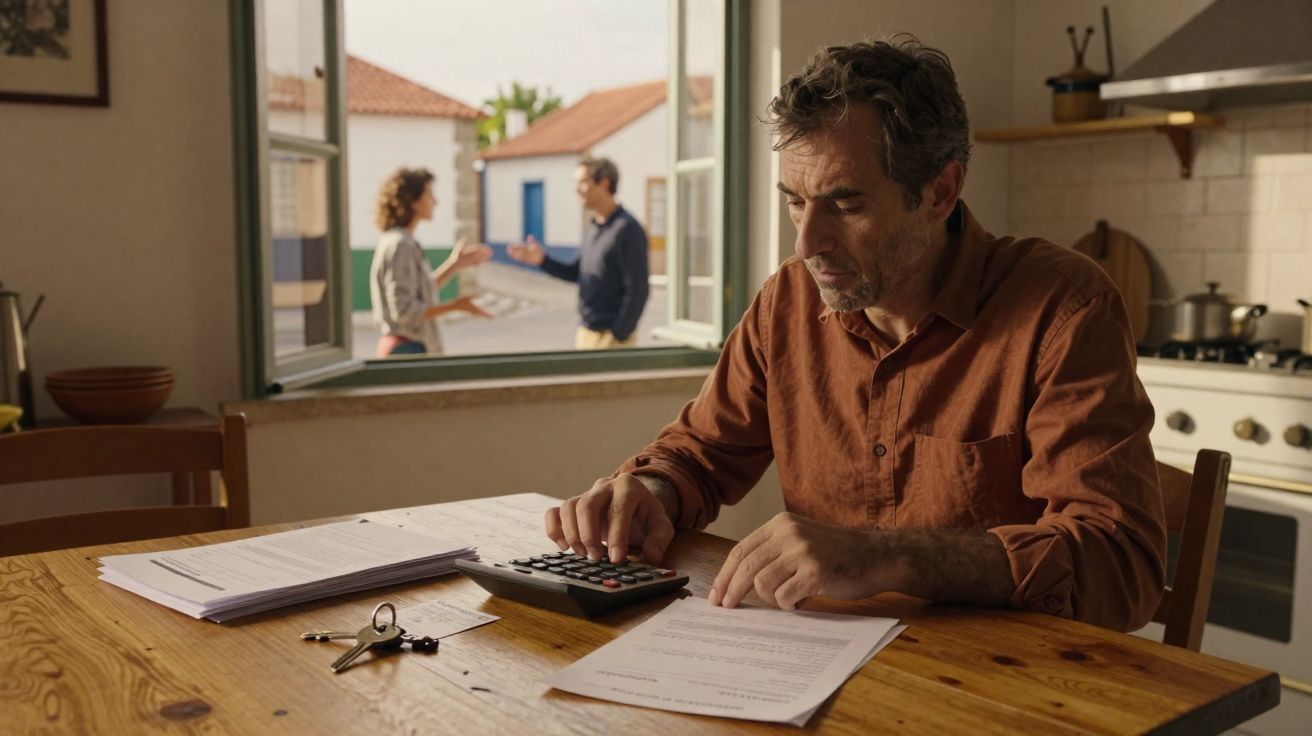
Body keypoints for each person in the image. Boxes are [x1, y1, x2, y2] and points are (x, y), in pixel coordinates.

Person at [543, 37, 1166, 632]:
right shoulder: (786, 301)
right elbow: (701, 454)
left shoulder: (1063, 307)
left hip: (1002, 687)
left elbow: (1120, 563)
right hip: (819, 674)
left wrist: (886, 558)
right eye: (794, 201)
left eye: (845, 204)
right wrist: (650, 491)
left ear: (940, 192)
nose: (806, 243)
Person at [507, 157, 650, 349]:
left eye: (582, 182)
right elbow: (578, 273)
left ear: (604, 183)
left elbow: (638, 289)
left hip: (611, 340)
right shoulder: (593, 227)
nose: (576, 189)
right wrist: (543, 261)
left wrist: (619, 334)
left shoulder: (628, 230)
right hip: (586, 334)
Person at [370, 167, 493, 357]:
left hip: (406, 348)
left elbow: (420, 293)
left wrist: (455, 264)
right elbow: (404, 312)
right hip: (407, 350)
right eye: (429, 195)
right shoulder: (401, 245)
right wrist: (456, 306)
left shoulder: (401, 241)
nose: (435, 202)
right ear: (413, 202)